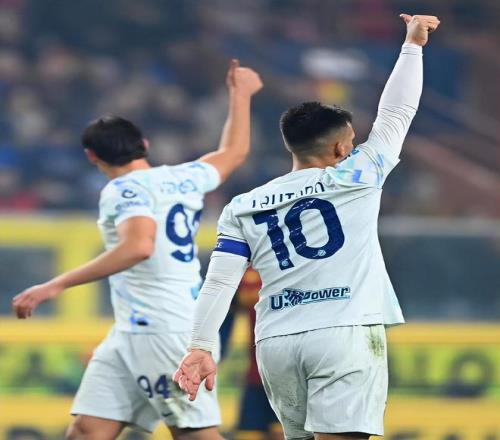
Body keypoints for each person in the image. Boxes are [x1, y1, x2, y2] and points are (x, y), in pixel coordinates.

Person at [173, 14, 440, 440]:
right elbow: (397, 112)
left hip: (275, 343)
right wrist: (413, 46)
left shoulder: (244, 205)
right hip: (343, 333)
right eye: (351, 142)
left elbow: (219, 282)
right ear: (340, 147)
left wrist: (200, 346)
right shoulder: (358, 175)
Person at [12, 59, 263, 440]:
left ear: (92, 157)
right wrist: (240, 94)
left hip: (163, 328)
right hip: (133, 330)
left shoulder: (123, 189)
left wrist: (56, 284)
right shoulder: (183, 177)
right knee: (87, 430)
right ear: (144, 146)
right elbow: (233, 152)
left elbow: (139, 246)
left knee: (195, 433)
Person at [234, 268, 283, 440]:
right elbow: (243, 299)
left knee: (285, 431)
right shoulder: (246, 269)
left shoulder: (290, 266)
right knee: (250, 432)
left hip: (284, 370)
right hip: (256, 373)